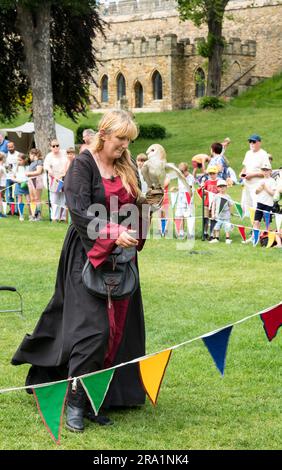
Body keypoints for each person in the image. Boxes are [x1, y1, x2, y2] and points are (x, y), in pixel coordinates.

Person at [11, 110, 153, 433]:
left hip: (122, 258)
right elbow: (78, 210)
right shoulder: (83, 164)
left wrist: (146, 210)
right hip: (86, 256)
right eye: (120, 140)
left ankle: (94, 400)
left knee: (117, 331)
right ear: (104, 134)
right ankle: (75, 401)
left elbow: (135, 204)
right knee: (94, 330)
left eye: (128, 141)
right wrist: (112, 232)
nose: (123, 147)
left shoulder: (127, 164)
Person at [239, 134, 270, 217]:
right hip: (246, 185)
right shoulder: (248, 153)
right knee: (245, 207)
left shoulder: (263, 154)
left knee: (256, 208)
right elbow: (245, 167)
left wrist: (252, 175)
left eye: (254, 142)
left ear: (259, 143)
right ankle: (253, 228)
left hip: (257, 185)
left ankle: (256, 228)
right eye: (250, 142)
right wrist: (242, 173)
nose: (251, 144)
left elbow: (267, 172)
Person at [44, 139, 67, 222]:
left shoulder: (64, 153)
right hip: (54, 178)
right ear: (51, 147)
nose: (56, 147)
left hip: (64, 177)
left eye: (57, 145)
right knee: (54, 199)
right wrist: (49, 170)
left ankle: (63, 217)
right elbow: (46, 166)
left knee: (64, 199)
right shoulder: (49, 156)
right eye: (53, 146)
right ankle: (55, 217)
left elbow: (69, 162)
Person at [209, 179, 233, 244]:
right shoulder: (216, 196)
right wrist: (213, 214)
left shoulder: (228, 197)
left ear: (226, 187)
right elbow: (213, 205)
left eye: (223, 186)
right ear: (218, 188)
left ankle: (227, 238)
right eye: (220, 187)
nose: (222, 188)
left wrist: (230, 213)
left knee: (227, 227)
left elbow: (230, 205)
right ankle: (216, 238)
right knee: (217, 227)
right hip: (218, 215)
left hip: (226, 215)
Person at [174, 162, 194, 238]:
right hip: (180, 199)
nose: (182, 174)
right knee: (180, 215)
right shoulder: (180, 177)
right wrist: (176, 188)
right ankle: (181, 232)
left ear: (187, 170)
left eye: (183, 172)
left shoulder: (190, 177)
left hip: (188, 199)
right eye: (180, 173)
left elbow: (189, 188)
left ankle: (190, 233)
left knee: (189, 215)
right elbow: (180, 187)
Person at [10, 153, 30, 222]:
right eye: (18, 160)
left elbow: (29, 176)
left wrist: (26, 182)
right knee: (19, 200)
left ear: (24, 160)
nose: (19, 161)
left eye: (20, 160)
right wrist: (17, 181)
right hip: (18, 185)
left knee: (28, 200)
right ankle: (21, 215)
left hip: (26, 185)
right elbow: (12, 177)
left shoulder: (28, 167)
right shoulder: (16, 167)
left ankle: (31, 214)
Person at [25, 149, 44, 221]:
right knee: (32, 198)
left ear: (34, 154)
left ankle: (38, 215)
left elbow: (38, 172)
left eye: (30, 155)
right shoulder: (32, 163)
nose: (29, 157)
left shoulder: (39, 162)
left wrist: (28, 173)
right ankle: (33, 214)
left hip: (37, 180)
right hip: (30, 181)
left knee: (37, 198)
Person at [201, 166, 219, 240]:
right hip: (207, 203)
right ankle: (205, 232)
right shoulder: (207, 182)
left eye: (213, 173)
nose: (212, 175)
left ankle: (212, 233)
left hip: (215, 204)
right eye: (210, 174)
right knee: (205, 218)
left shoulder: (219, 182)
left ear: (216, 173)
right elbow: (203, 193)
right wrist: (203, 189)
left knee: (213, 219)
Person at [0, 152, 7, 217]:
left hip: (3, 185)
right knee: (0, 199)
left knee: (1, 198)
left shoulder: (2, 166)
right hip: (1, 185)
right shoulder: (1, 167)